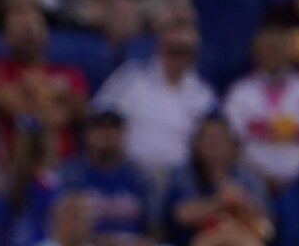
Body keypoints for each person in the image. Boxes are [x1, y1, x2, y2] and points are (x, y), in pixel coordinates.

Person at [160, 114, 288, 246]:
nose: (214, 145)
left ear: (231, 145)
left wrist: (244, 203)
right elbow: (181, 215)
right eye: (208, 139)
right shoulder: (184, 174)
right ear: (196, 144)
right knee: (229, 232)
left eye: (220, 139)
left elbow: (267, 226)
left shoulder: (245, 176)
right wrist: (220, 202)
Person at [92, 18, 215, 181]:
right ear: (159, 48)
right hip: (131, 171)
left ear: (194, 55)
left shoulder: (202, 94)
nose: (176, 57)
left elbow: (212, 140)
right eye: (171, 49)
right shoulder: (131, 78)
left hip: (179, 178)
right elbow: (98, 115)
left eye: (183, 51)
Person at [56, 107, 164, 246]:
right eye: (99, 128)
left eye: (113, 128)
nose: (106, 134)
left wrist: (144, 243)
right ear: (87, 135)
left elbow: (155, 227)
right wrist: (97, 243)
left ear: (123, 134)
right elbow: (60, 227)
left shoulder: (139, 175)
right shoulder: (70, 174)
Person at [0, 4, 87, 181]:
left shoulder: (70, 72)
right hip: (15, 164)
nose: (28, 34)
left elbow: (81, 111)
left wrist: (34, 90)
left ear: (45, 33)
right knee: (30, 127)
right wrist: (55, 95)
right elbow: (15, 107)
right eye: (19, 28)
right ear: (5, 37)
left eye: (33, 27)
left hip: (67, 163)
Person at [220, 25, 299, 191]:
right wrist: (258, 178)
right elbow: (230, 147)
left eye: (278, 48)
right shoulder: (239, 92)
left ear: (289, 52)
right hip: (252, 180)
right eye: (267, 49)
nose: (274, 54)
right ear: (256, 54)